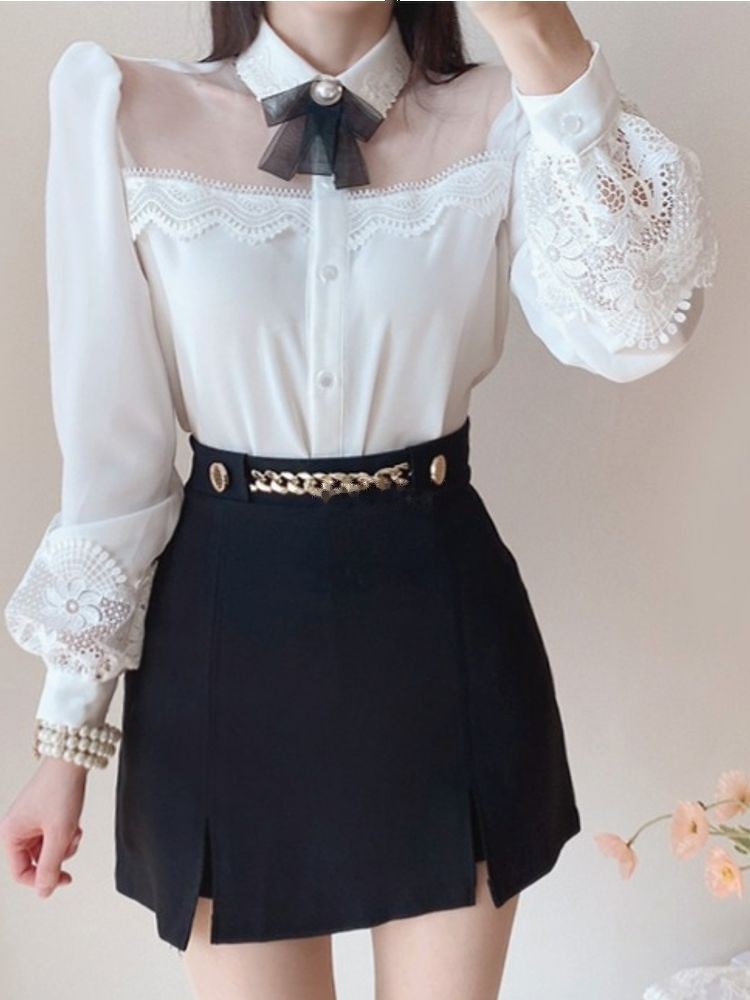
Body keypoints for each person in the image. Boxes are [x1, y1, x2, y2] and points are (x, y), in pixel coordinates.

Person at [0, 2, 718, 998]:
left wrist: (538, 30)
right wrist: (67, 740)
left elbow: (640, 330)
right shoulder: (121, 108)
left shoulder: (510, 113)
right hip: (224, 650)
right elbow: (114, 461)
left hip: (444, 641)